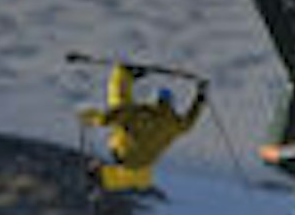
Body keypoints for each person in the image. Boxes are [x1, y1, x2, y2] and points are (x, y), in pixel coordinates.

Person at [80, 63, 208, 192]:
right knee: (122, 113)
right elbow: (190, 120)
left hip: (127, 154)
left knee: (120, 105)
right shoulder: (173, 124)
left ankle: (123, 75)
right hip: (139, 162)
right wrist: (201, 97)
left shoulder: (139, 114)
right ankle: (126, 75)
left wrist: (90, 117)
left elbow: (106, 119)